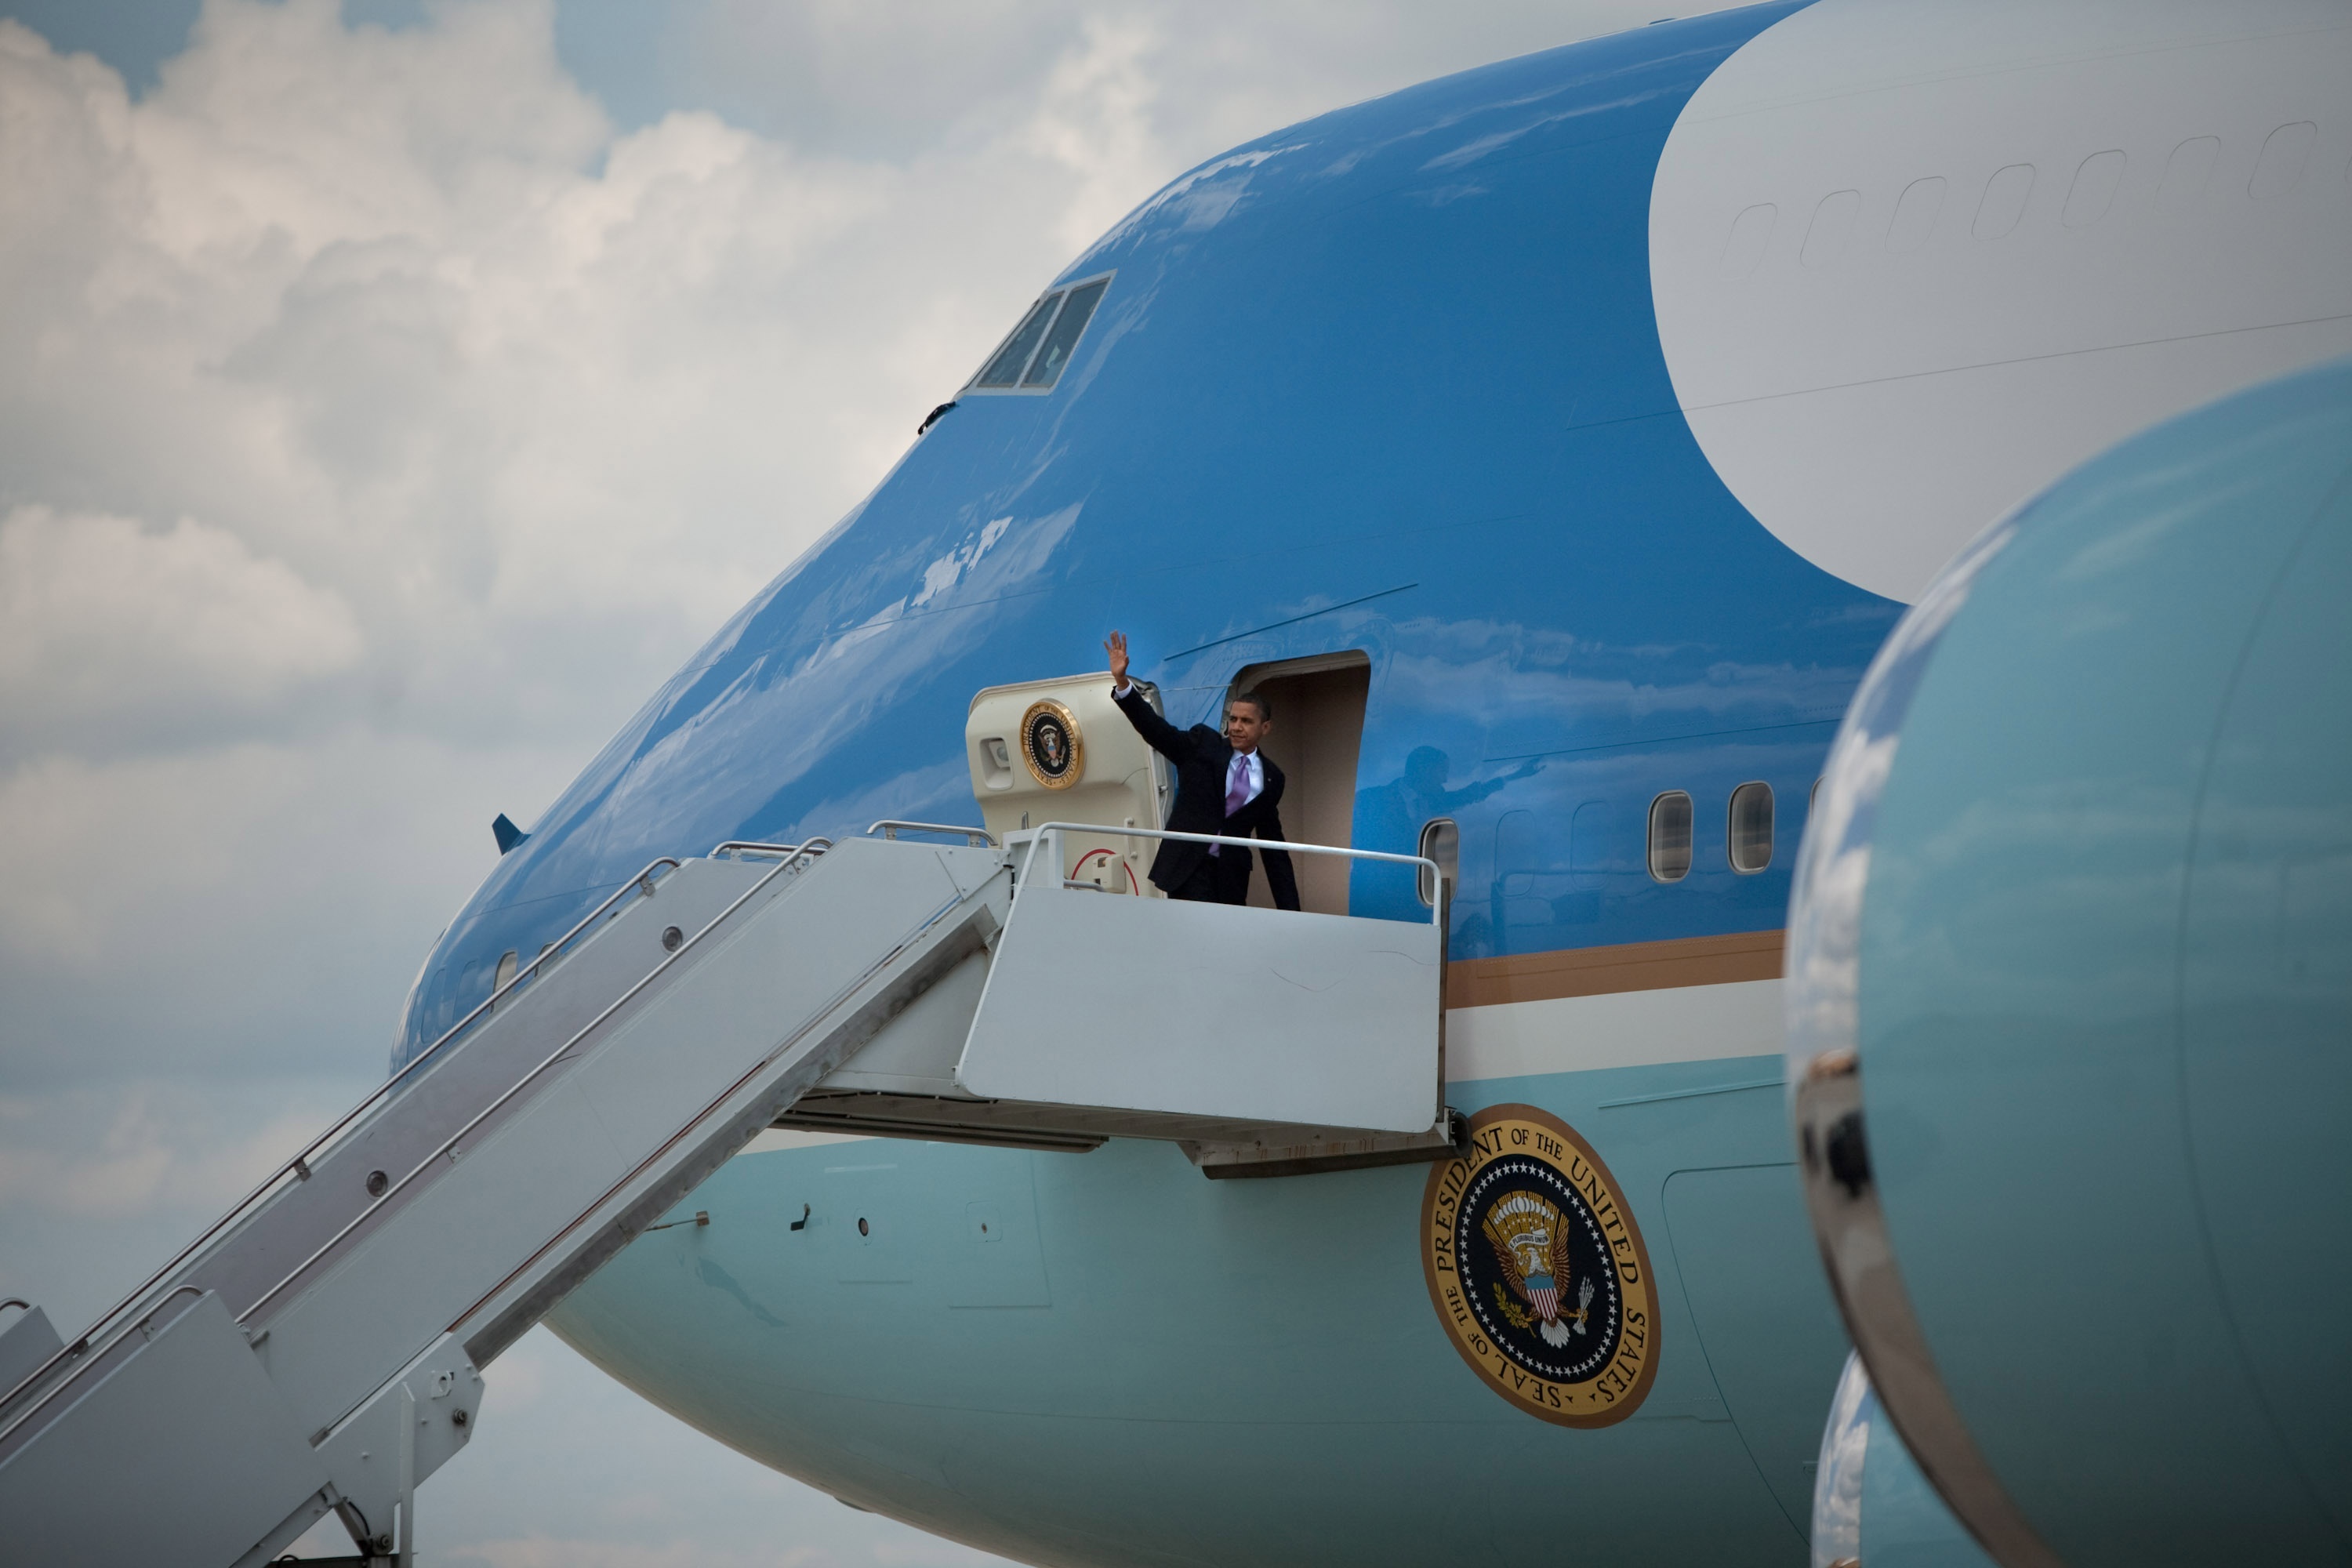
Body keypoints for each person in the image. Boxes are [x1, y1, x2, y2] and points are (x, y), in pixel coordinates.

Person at [1105, 630, 1300, 909]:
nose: (1236, 726)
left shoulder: (1272, 778)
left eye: (1246, 721)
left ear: (1264, 728)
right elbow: (1158, 732)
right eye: (1233, 719)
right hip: (1188, 868)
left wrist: (1292, 911)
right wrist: (1123, 683)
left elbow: (1274, 849)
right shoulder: (1203, 744)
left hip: (1230, 877)